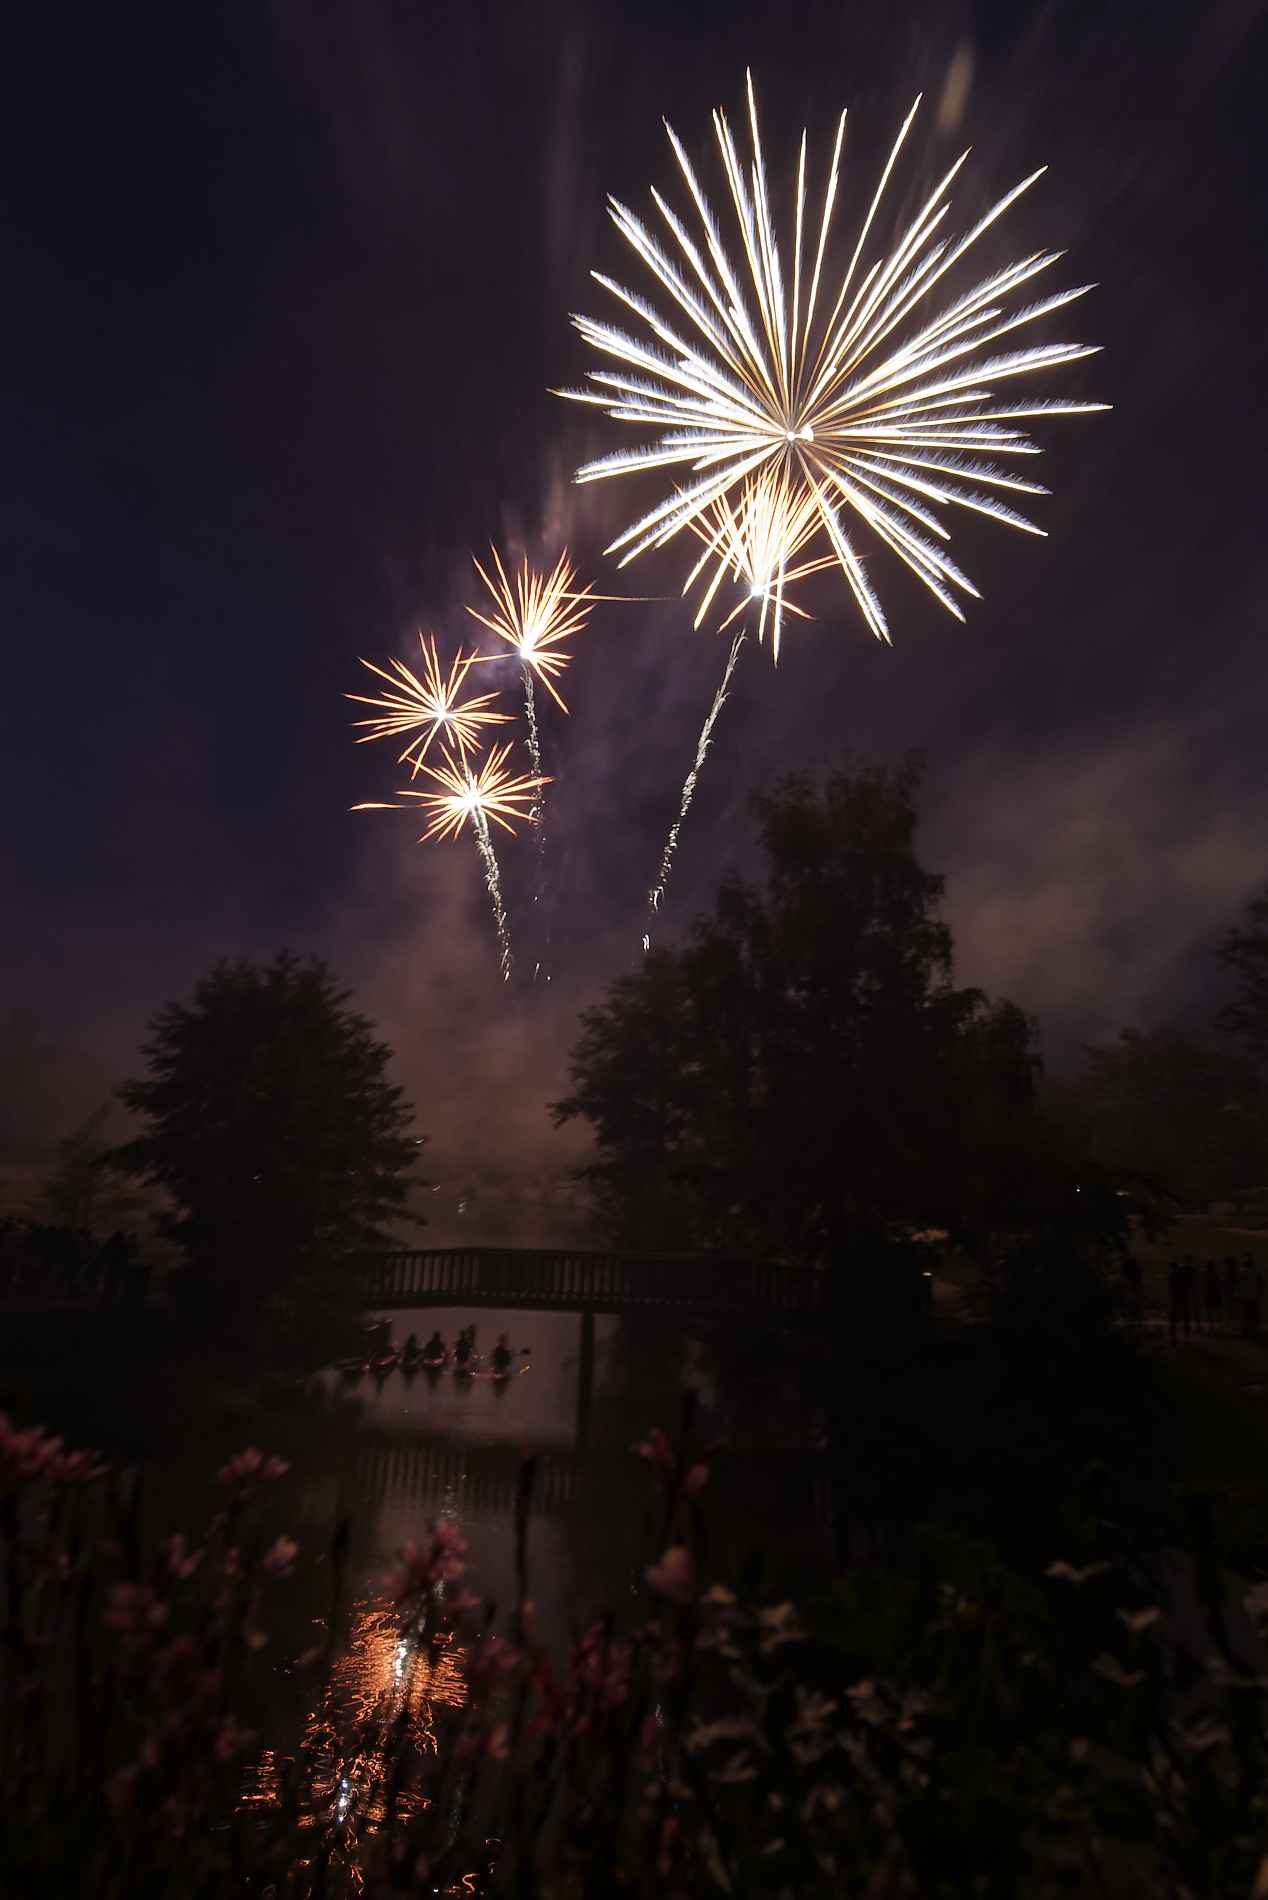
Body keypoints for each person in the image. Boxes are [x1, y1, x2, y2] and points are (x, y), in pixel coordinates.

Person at [1203, 1258, 1222, 1334]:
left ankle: (1211, 1327)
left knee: (1209, 1312)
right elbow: (1218, 1285)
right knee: (1214, 1311)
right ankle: (1215, 1326)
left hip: (1209, 1294)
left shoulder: (1206, 1274)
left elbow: (1205, 1285)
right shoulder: (1215, 1274)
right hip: (1214, 1294)